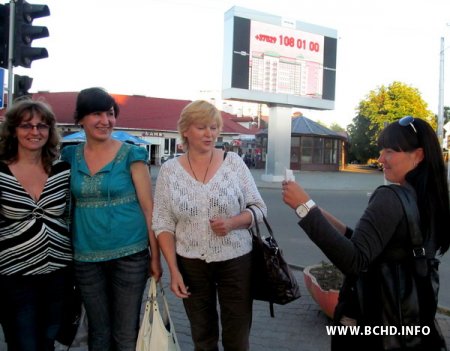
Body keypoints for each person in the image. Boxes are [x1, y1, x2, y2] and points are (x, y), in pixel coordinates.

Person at [282, 116, 450, 351]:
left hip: (371, 321)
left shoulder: (390, 197)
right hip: (411, 323)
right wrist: (312, 208)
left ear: (418, 155)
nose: (381, 158)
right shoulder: (433, 200)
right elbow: (371, 245)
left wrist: (304, 209)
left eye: (390, 151)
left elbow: (355, 260)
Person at [153, 100, 267, 351]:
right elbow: (162, 222)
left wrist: (234, 222)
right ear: (185, 130)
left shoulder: (234, 163)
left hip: (236, 260)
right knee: (202, 337)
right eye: (202, 127)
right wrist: (174, 269)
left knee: (237, 338)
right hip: (190, 263)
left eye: (214, 127)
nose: (210, 134)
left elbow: (260, 208)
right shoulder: (169, 171)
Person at [60, 87, 162, 351]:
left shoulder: (131, 154)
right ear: (80, 118)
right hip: (86, 257)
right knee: (98, 332)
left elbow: (149, 208)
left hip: (130, 255)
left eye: (110, 113)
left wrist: (155, 257)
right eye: (97, 113)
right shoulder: (69, 157)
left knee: (125, 334)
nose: (105, 120)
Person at [0, 99, 72, 351]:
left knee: (48, 341)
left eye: (42, 126)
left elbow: (70, 216)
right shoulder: (1, 172)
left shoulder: (62, 170)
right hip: (15, 276)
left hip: (58, 274)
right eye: (26, 126)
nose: (34, 132)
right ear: (13, 130)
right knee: (23, 343)